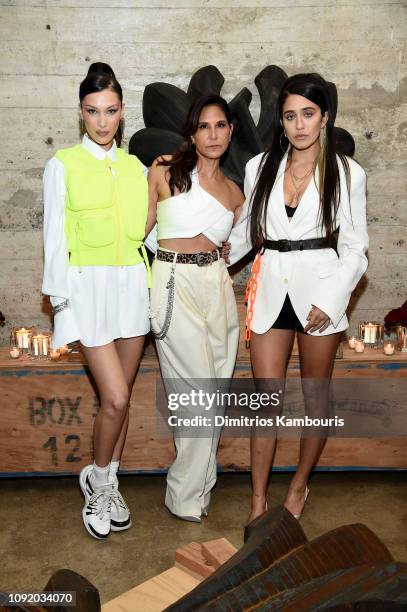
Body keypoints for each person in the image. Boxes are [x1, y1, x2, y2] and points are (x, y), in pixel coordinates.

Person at [228, 73, 368, 523]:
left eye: (308, 114)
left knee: (315, 398)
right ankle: (256, 500)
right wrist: (195, 254)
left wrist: (332, 299)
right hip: (270, 290)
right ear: (281, 122)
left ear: (324, 117)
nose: (300, 125)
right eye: (290, 116)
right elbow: (243, 233)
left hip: (321, 295)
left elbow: (355, 249)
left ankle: (299, 485)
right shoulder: (259, 167)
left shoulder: (348, 173)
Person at [42, 62, 150, 539]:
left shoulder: (136, 168)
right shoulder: (62, 164)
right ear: (81, 113)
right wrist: (62, 309)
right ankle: (97, 479)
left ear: (122, 113)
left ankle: (108, 479)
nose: (102, 121)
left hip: (133, 290)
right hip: (88, 292)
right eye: (92, 111)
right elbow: (52, 240)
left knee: (120, 403)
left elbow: (152, 230)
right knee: (116, 397)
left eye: (110, 111)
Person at [146, 94, 243, 522]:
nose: (213, 134)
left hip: (216, 286)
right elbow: (139, 232)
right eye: (205, 126)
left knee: (214, 394)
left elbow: (232, 250)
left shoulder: (235, 194)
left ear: (230, 132)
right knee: (195, 397)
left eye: (221, 125)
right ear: (192, 131)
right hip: (173, 283)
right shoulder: (165, 169)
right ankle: (183, 495)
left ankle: (199, 489)